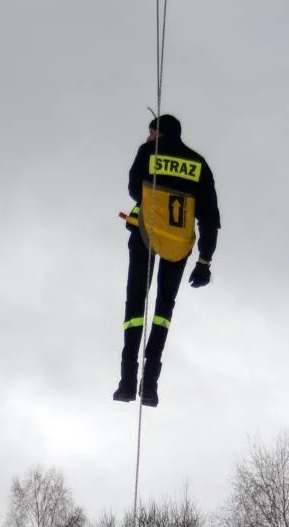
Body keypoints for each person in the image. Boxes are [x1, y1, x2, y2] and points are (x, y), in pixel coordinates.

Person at [113, 114, 221, 407]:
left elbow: (135, 189)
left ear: (158, 133)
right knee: (163, 311)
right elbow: (210, 218)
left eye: (150, 132)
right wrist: (205, 261)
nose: (147, 137)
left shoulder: (148, 152)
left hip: (145, 235)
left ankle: (126, 380)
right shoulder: (199, 165)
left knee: (135, 305)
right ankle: (150, 385)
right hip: (179, 244)